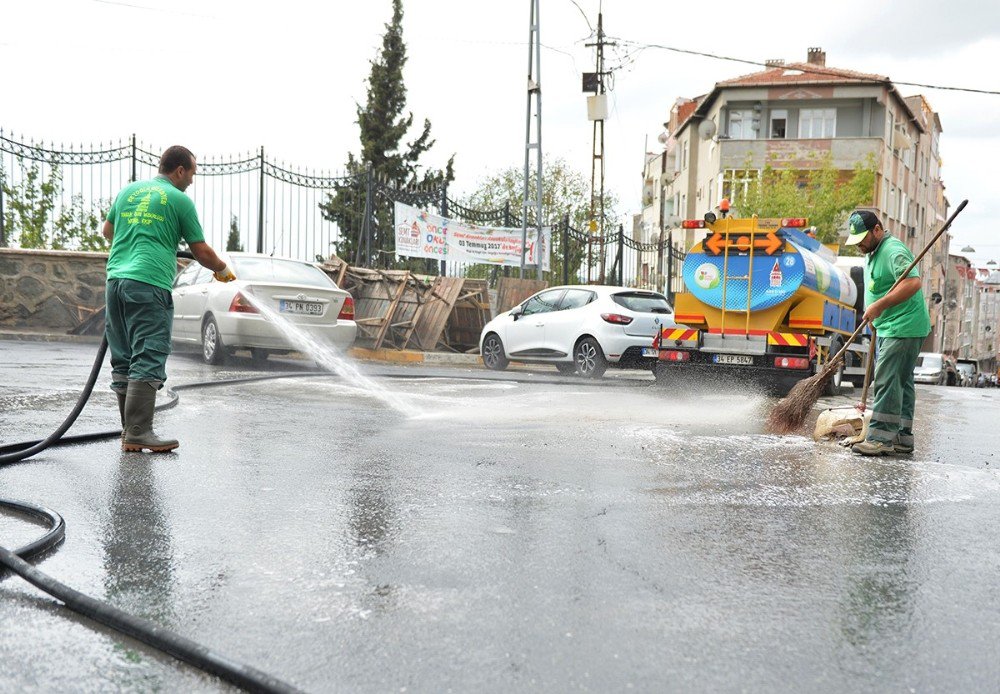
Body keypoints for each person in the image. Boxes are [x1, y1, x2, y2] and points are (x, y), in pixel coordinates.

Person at [102, 145, 236, 452]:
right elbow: (200, 251)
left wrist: (140, 239)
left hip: (116, 283)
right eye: (191, 173)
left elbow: (108, 231)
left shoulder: (129, 192)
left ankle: (130, 432)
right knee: (149, 353)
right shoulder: (179, 200)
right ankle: (138, 431)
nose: (191, 180)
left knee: (124, 356)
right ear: (179, 170)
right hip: (149, 284)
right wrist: (222, 270)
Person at [843, 210, 930, 456]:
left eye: (862, 238)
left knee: (887, 379)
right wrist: (876, 315)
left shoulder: (893, 251)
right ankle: (902, 436)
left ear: (877, 230)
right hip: (892, 325)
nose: (859, 244)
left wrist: (879, 306)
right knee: (902, 381)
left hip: (903, 326)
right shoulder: (873, 252)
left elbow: (913, 283)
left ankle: (881, 437)